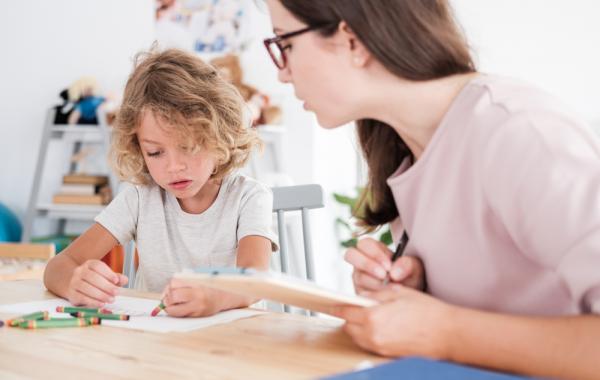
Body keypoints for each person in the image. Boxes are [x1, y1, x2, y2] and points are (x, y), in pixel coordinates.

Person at [263, 1, 600, 379]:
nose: (283, 75)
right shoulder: (406, 148)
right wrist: (416, 294)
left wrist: (443, 330)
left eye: (284, 44)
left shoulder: (520, 133)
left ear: (351, 40)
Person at [44, 48, 277, 317]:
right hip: (159, 343)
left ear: (220, 135)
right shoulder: (140, 197)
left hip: (235, 343)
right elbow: (58, 266)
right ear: (138, 148)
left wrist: (214, 297)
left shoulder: (249, 197)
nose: (173, 166)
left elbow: (256, 280)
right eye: (155, 152)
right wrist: (75, 281)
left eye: (189, 147)